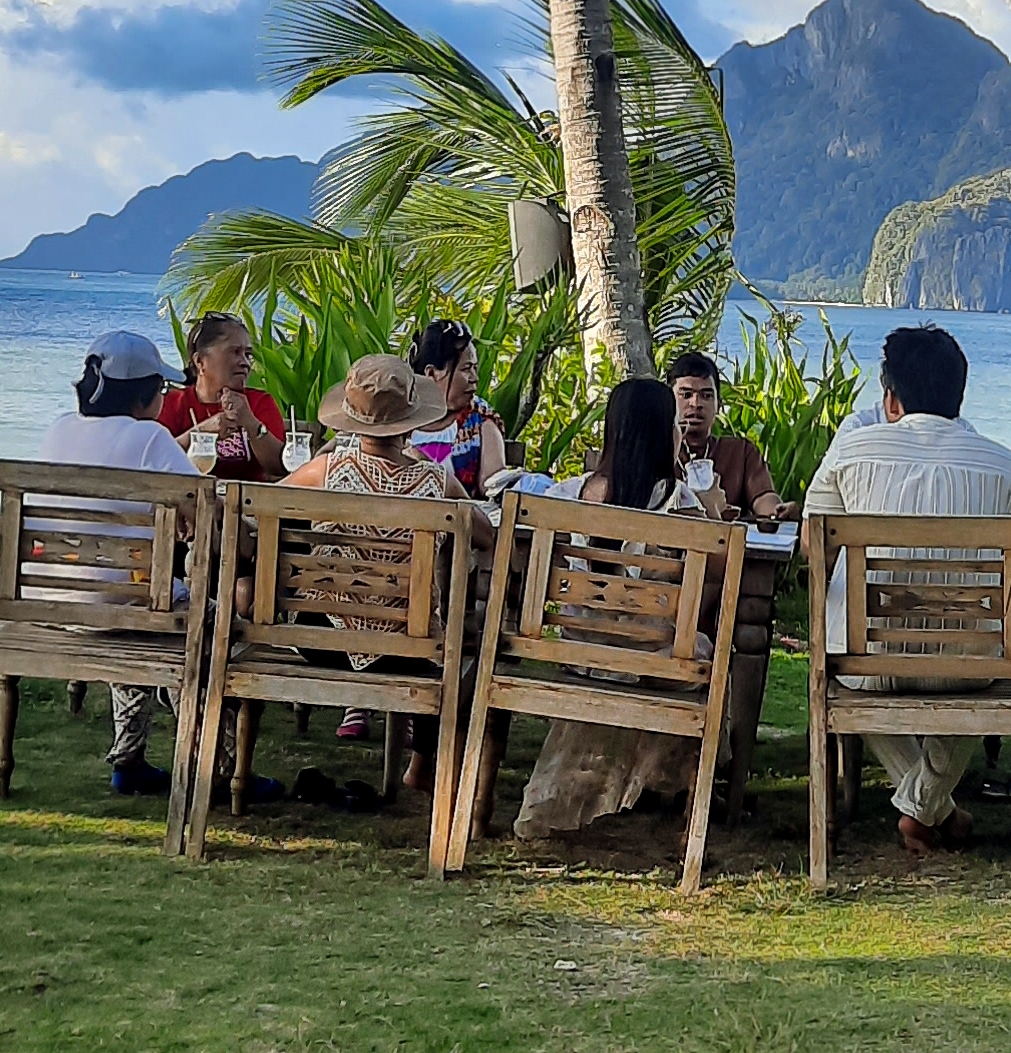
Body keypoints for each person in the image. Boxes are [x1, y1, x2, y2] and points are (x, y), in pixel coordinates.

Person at [801, 323, 1011, 857]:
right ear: (960, 399)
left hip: (865, 660)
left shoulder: (850, 453)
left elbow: (813, 543)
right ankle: (931, 809)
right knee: (976, 660)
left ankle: (924, 807)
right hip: (975, 665)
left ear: (889, 398)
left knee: (855, 665)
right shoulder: (1004, 463)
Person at [512, 377, 717, 838]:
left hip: (577, 653)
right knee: (708, 652)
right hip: (649, 661)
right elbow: (715, 584)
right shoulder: (681, 506)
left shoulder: (563, 498)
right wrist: (715, 512)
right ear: (667, 430)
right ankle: (675, 794)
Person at [282, 353, 489, 785]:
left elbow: (256, 503)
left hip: (322, 637)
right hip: (405, 645)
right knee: (449, 652)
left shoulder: (326, 470)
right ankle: (420, 765)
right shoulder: (436, 482)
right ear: (411, 424)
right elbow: (486, 533)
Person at [38, 328, 199, 797]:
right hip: (123, 607)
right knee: (213, 620)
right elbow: (208, 508)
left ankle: (129, 760)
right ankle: (227, 768)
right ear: (144, 396)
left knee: (132, 596)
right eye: (162, 390)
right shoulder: (149, 437)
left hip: (54, 599)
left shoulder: (59, 429)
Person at [159, 312, 287, 479]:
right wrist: (202, 432)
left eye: (247, 355)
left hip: (249, 501)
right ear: (200, 361)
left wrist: (250, 422)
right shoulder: (174, 403)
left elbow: (279, 468)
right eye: (235, 352)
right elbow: (156, 461)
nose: (245, 362)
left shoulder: (259, 403)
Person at [665, 349, 782, 523]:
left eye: (706, 396)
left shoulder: (740, 452)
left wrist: (778, 511)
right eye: (686, 395)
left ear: (719, 405)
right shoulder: (655, 452)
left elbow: (763, 497)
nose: (696, 404)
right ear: (669, 401)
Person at [406, 318, 506, 499]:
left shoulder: (481, 422)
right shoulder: (397, 418)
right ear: (431, 373)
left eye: (475, 368)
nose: (474, 378)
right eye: (466, 369)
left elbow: (494, 484)